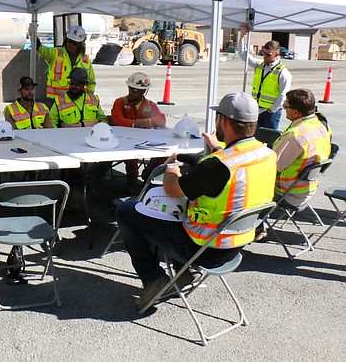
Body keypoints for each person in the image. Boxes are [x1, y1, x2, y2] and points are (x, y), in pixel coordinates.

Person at [116, 92, 276, 310]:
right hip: (236, 244)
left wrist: (172, 170)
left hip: (204, 247)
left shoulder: (218, 166)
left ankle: (155, 279)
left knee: (127, 210)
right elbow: (235, 169)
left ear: (225, 122)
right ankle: (182, 273)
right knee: (173, 213)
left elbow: (173, 189)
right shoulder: (266, 154)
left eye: (217, 117)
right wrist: (218, 148)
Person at [273, 88, 331, 207]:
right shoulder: (321, 126)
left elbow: (274, 166)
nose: (284, 109)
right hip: (307, 188)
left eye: (285, 106)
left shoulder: (295, 135)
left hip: (287, 192)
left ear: (296, 112)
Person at [111, 72, 167, 188]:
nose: (131, 92)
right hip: (125, 140)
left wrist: (150, 121)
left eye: (135, 91)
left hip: (145, 141)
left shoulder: (149, 105)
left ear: (143, 91)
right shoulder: (120, 102)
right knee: (131, 157)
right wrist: (134, 124)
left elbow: (161, 119)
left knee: (164, 154)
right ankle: (132, 183)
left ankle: (149, 173)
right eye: (130, 89)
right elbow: (116, 119)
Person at [238, 24, 292, 130]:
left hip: (271, 113)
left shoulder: (283, 72)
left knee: (269, 139)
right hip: (256, 110)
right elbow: (243, 54)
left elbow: (283, 95)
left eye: (268, 54)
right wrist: (242, 36)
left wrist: (272, 109)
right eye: (264, 53)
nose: (265, 56)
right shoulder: (260, 65)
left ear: (277, 55)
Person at [36, 24, 96, 100]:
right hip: (56, 100)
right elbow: (40, 48)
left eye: (74, 43)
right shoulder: (55, 54)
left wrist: (89, 97)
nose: (70, 44)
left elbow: (91, 82)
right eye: (69, 41)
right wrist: (33, 35)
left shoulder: (86, 60)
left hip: (79, 101)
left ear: (80, 45)